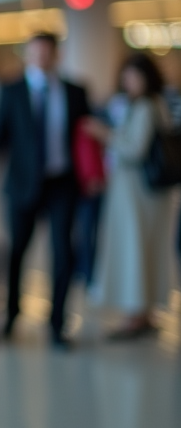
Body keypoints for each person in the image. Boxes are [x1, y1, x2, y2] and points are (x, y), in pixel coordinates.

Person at [0, 32, 90, 348]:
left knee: (63, 253)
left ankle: (57, 323)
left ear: (57, 55)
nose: (41, 59)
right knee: (17, 251)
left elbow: (84, 138)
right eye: (35, 53)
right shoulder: (12, 91)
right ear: (28, 56)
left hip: (62, 183)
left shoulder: (75, 92)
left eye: (46, 53)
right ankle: (11, 316)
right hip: (21, 183)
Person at [87, 54, 177, 339]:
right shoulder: (156, 104)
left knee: (134, 249)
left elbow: (134, 149)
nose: (129, 82)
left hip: (138, 192)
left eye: (134, 77)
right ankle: (145, 312)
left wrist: (106, 134)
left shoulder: (146, 106)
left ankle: (135, 315)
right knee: (146, 249)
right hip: (148, 192)